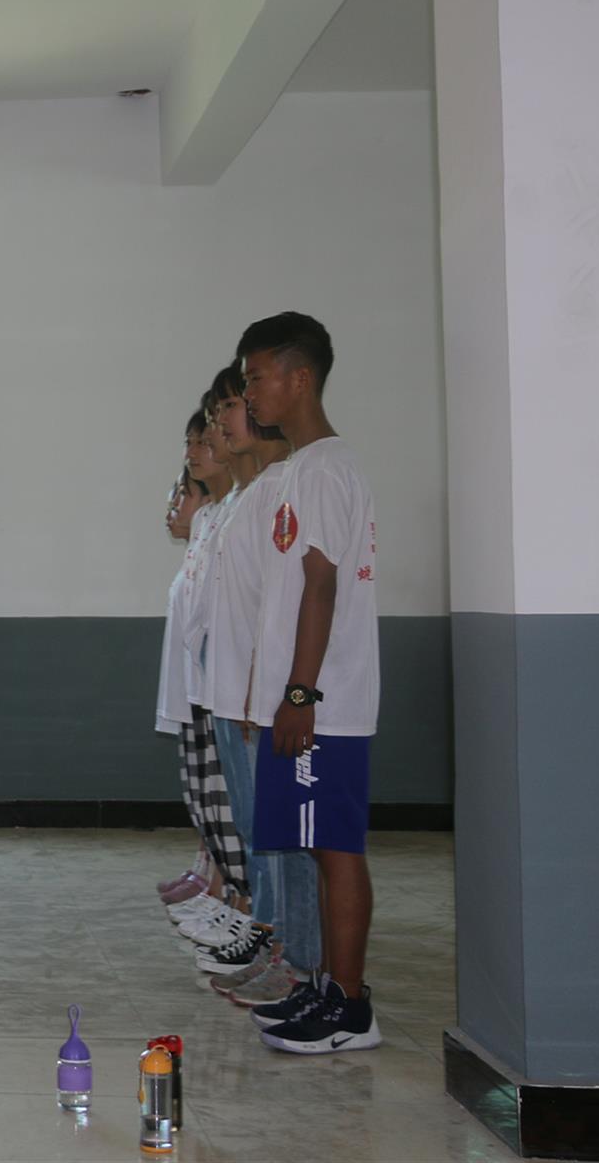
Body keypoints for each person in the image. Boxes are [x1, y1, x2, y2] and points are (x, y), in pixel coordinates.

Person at [237, 313, 383, 1054]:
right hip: (307, 696)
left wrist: (301, 695)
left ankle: (351, 1008)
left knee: (336, 848)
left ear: (300, 377)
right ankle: (330, 986)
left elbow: (320, 587)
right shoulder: (298, 469)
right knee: (321, 844)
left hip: (328, 700)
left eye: (258, 375)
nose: (250, 390)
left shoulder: (326, 467)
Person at [198, 362, 323, 1010]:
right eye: (222, 407)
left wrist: (273, 691)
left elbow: (288, 601)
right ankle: (275, 947)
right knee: (257, 830)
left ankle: (300, 961)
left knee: (283, 837)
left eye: (234, 404)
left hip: (265, 695)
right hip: (234, 693)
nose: (224, 420)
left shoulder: (285, 487)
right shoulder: (244, 499)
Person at [156, 408, 244, 909]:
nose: (194, 452)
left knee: (229, 804)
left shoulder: (233, 513)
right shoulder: (213, 523)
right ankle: (219, 886)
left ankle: (242, 906)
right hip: (200, 692)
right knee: (207, 799)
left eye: (203, 440)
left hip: (224, 693)